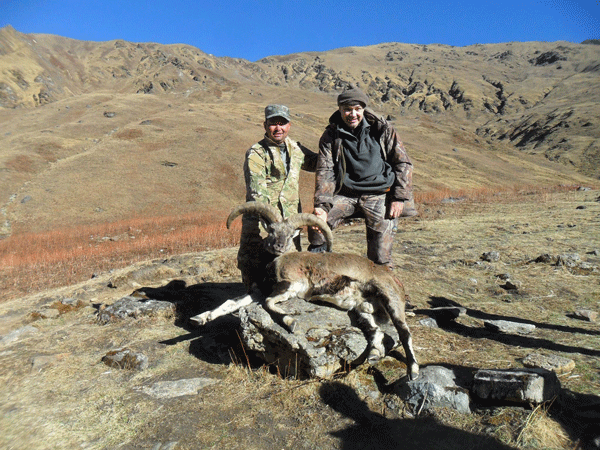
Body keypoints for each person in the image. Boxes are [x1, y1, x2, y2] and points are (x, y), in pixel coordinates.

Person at [311, 86, 415, 268]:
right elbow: (325, 170)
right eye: (347, 109)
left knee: (381, 256)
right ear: (340, 110)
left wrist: (399, 197)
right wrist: (322, 206)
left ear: (363, 109)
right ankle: (319, 272)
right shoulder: (331, 135)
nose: (353, 114)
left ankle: (384, 290)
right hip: (346, 195)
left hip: (379, 194)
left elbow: (403, 163)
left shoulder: (382, 129)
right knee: (317, 227)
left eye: (357, 109)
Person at [238, 104, 319, 290]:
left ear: (289, 125)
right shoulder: (256, 153)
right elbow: (257, 193)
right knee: (256, 272)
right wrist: (273, 225)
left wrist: (335, 146)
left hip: (289, 223)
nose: (278, 128)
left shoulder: (296, 149)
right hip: (263, 224)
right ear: (265, 125)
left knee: (289, 269)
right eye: (273, 123)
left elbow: (317, 163)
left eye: (282, 123)